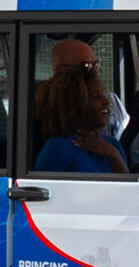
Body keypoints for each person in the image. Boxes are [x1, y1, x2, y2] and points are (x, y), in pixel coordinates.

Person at [33, 39, 128, 174]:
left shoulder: (112, 145)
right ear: (75, 104)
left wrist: (113, 155)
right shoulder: (57, 148)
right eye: (95, 97)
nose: (106, 102)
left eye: (95, 65)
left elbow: (129, 189)